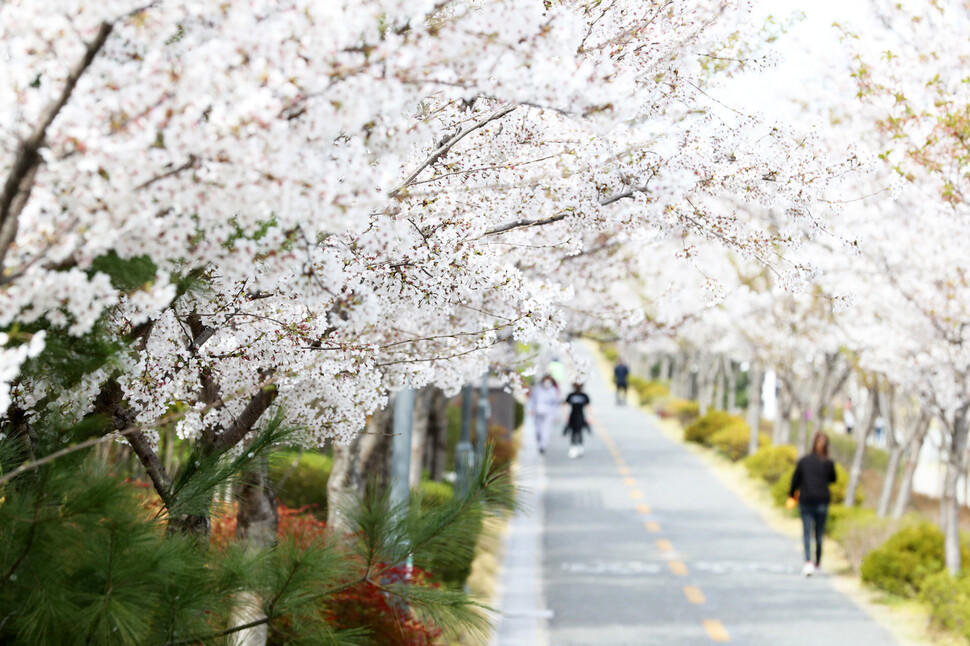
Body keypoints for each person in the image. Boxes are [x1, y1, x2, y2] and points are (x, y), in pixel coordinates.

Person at [788, 432, 837, 577]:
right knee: (819, 533)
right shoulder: (828, 462)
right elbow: (833, 479)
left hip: (806, 500)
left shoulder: (804, 461)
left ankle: (808, 562)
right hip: (822, 500)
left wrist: (791, 495)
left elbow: (795, 479)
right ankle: (817, 563)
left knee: (807, 532)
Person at [529, 375, 561, 455]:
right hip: (538, 411)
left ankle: (543, 446)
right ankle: (540, 442)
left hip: (549, 413)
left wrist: (557, 415)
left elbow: (556, 404)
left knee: (546, 430)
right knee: (538, 430)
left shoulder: (553, 391)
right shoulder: (537, 389)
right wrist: (531, 409)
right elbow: (532, 400)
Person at [563, 382, 591, 458]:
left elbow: (588, 406)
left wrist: (589, 417)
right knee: (573, 432)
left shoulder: (584, 396)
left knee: (580, 432)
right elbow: (566, 405)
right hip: (573, 416)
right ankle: (573, 447)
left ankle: (580, 447)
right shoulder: (571, 395)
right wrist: (566, 415)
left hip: (581, 416)